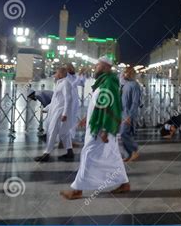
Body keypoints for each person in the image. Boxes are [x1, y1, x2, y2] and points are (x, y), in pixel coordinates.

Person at [60, 56, 130, 200]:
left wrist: (105, 128)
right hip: (98, 126)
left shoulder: (109, 83)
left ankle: (77, 190)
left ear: (105, 67)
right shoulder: (104, 81)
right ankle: (124, 184)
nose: (95, 67)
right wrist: (88, 118)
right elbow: (99, 104)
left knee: (88, 154)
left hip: (101, 129)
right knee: (113, 155)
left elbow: (112, 107)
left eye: (97, 65)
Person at [34, 67, 73, 162]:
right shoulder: (60, 84)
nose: (54, 75)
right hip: (56, 111)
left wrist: (65, 113)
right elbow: (56, 100)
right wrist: (47, 109)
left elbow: (68, 99)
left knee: (52, 131)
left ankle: (46, 154)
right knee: (64, 133)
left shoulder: (65, 84)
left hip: (60, 113)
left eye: (56, 73)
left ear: (60, 74)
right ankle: (69, 152)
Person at [121, 66, 141, 162]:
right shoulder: (125, 85)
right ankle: (129, 154)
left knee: (124, 133)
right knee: (123, 133)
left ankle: (134, 150)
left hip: (129, 115)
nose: (125, 74)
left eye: (127, 72)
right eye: (124, 72)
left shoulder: (135, 85)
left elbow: (135, 102)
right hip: (123, 114)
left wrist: (129, 116)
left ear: (132, 74)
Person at [65, 63, 81, 139]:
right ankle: (68, 138)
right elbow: (73, 85)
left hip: (75, 101)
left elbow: (81, 83)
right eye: (70, 67)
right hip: (69, 101)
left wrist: (82, 75)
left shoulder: (74, 76)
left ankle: (72, 138)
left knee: (73, 119)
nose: (72, 69)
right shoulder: (66, 77)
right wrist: (79, 75)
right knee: (69, 120)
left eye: (72, 67)